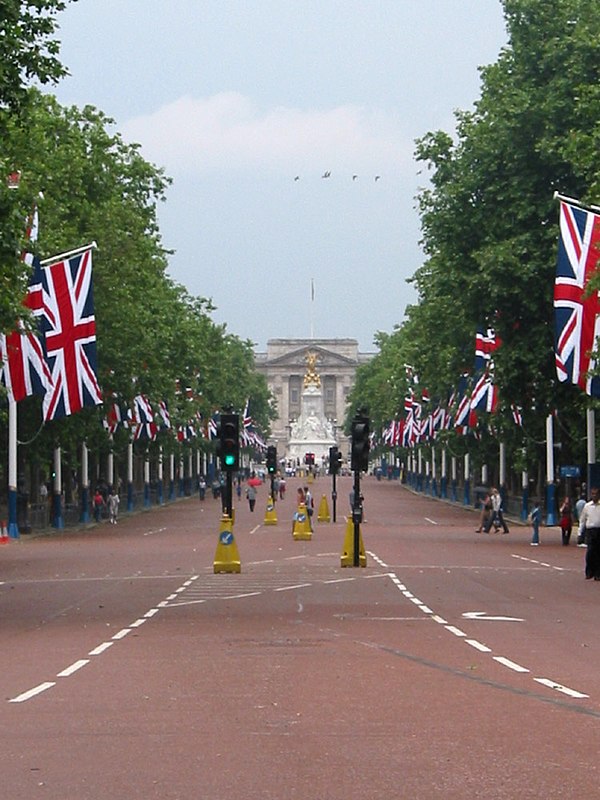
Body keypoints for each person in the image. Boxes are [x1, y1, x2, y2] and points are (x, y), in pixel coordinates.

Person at [578, 487, 600, 579]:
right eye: (592, 494)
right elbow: (582, 520)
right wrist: (580, 533)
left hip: (599, 530)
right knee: (590, 552)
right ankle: (589, 571)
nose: (594, 496)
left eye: (596, 494)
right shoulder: (587, 506)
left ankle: (598, 574)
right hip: (590, 531)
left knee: (598, 553)